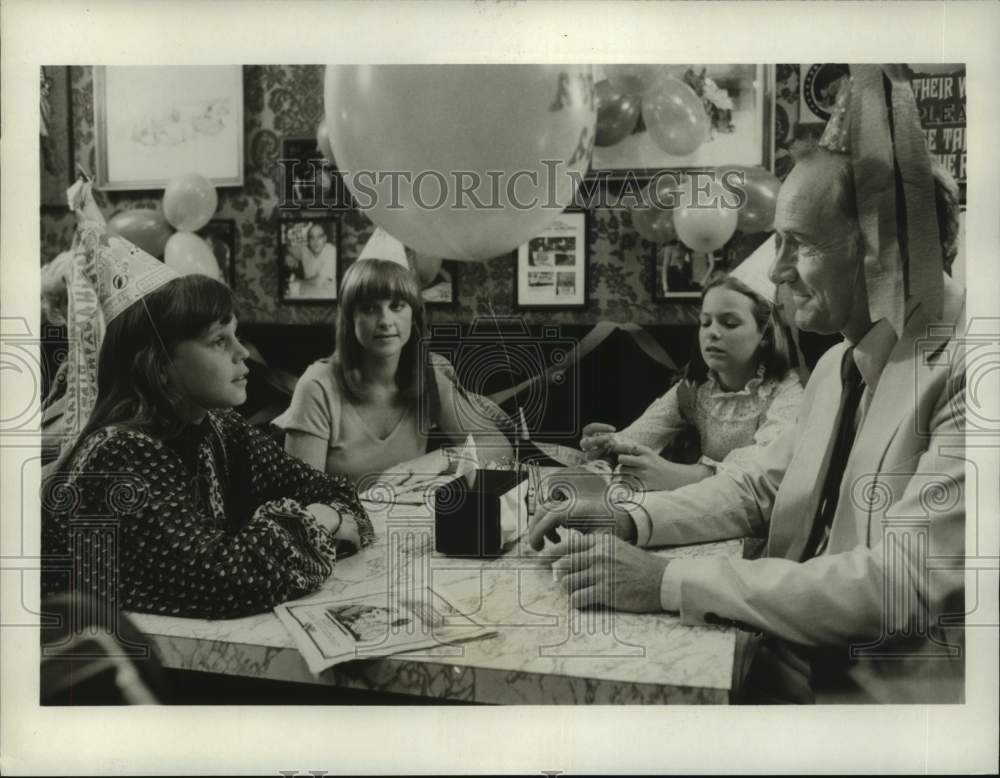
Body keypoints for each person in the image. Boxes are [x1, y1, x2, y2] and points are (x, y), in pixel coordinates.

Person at [529, 66, 965, 704]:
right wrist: (625, 516)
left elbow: (900, 584)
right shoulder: (837, 364)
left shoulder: (974, 369)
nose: (779, 270)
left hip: (880, 713)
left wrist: (667, 582)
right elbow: (757, 485)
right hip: (785, 659)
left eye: (800, 245)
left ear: (884, 251)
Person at [42, 205, 374, 620]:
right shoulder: (121, 453)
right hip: (94, 667)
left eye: (236, 335)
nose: (243, 355)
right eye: (219, 340)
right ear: (159, 365)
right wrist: (322, 520)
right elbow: (226, 580)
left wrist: (310, 519)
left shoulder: (219, 428)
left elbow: (337, 493)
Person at [278, 257, 513, 488]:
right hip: (338, 524)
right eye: (369, 309)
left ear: (413, 317)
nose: (385, 320)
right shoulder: (317, 385)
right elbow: (299, 499)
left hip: (409, 521)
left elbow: (500, 448)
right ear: (351, 319)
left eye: (396, 306)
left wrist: (441, 459)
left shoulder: (427, 377)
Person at [580, 273, 803, 491]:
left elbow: (765, 467)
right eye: (705, 323)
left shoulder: (788, 392)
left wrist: (676, 476)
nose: (712, 333)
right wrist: (606, 445)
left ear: (764, 335)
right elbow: (642, 434)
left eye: (730, 323)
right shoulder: (696, 389)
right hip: (703, 510)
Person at [289, 221, 337, 298]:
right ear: (308, 241)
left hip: (329, 297)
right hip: (307, 294)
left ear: (325, 238)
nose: (315, 241)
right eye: (312, 238)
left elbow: (318, 281)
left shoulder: (331, 251)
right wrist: (288, 256)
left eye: (319, 237)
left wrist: (298, 281)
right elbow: (288, 248)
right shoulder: (304, 251)